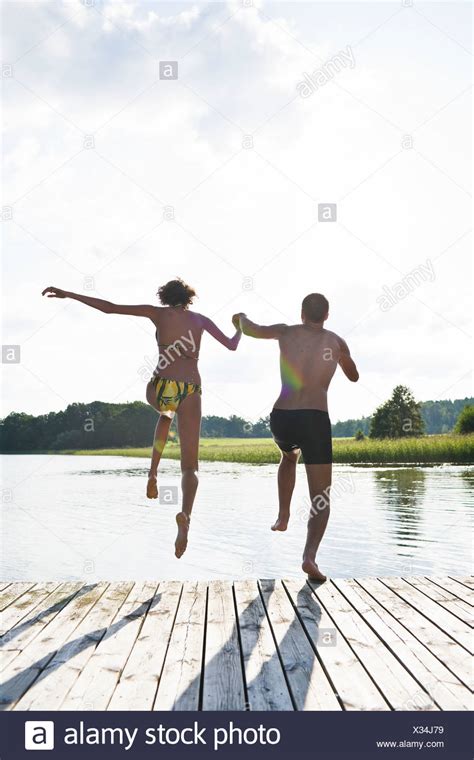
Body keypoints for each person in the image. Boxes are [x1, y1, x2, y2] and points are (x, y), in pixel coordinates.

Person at [42, 279, 242, 558]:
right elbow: (232, 345)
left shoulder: (158, 313)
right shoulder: (202, 320)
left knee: (164, 411)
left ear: (165, 298)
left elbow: (110, 308)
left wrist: (69, 293)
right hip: (192, 389)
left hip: (162, 386)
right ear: (189, 299)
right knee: (190, 467)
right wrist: (240, 327)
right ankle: (185, 514)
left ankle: (152, 473)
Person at [234, 293, 359, 582]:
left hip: (282, 416)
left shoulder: (285, 331)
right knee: (321, 497)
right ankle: (309, 557)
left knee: (288, 457)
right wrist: (342, 357)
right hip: (314, 419)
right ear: (326, 315)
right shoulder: (336, 341)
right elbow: (353, 377)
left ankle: (283, 515)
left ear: (302, 313)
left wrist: (239, 318)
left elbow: (250, 329)